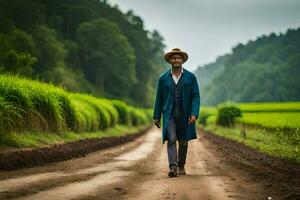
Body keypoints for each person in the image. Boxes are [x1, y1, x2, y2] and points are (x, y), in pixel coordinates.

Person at [153, 48, 200, 177]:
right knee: (172, 139)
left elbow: (196, 96)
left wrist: (194, 113)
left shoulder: (190, 77)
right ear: (170, 60)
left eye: (178, 58)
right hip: (169, 115)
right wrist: (157, 116)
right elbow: (159, 98)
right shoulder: (163, 78)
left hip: (186, 115)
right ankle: (173, 167)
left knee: (183, 141)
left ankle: (181, 165)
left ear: (182, 60)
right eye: (174, 58)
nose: (176, 60)